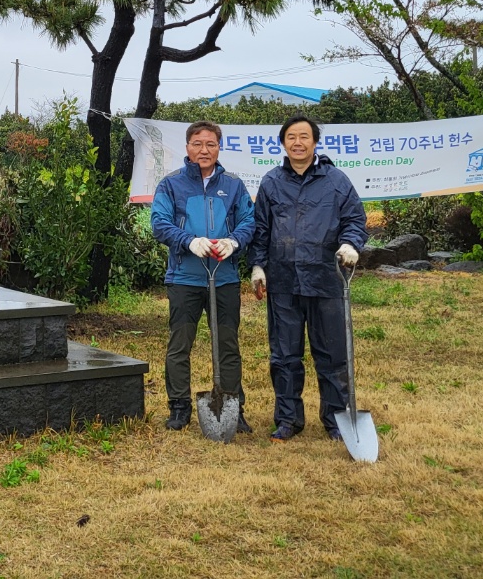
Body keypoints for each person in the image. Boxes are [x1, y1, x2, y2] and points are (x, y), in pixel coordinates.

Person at [249, 114, 368, 442]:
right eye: (291, 137)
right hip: (283, 282)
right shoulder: (271, 182)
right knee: (284, 355)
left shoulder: (336, 181)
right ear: (283, 142)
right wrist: (258, 266)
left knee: (332, 354)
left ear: (315, 142)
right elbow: (261, 230)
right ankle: (288, 419)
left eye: (304, 136)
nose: (297, 142)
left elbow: (355, 219)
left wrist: (350, 243)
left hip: (326, 279)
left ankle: (336, 420)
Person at [150, 120, 256, 433]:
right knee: (179, 345)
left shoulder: (234, 185)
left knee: (228, 344)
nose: (204, 150)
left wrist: (233, 241)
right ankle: (179, 407)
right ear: (187, 148)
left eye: (210, 144)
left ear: (219, 148)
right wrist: (188, 240)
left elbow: (249, 221)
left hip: (223, 279)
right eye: (197, 143)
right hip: (185, 278)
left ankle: (233, 407)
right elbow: (159, 223)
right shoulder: (171, 184)